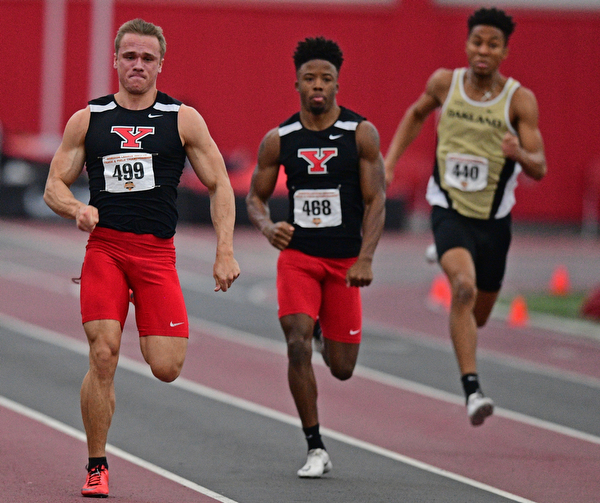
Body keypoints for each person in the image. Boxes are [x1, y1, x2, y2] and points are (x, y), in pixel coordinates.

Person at [43, 19, 240, 497]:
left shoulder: (183, 118)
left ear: (159, 65)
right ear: (115, 61)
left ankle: (124, 369)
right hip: (106, 250)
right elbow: (54, 185)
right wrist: (77, 208)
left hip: (156, 255)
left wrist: (225, 250)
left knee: (167, 366)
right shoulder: (88, 119)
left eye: (146, 58)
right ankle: (96, 464)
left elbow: (220, 184)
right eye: (129, 56)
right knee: (104, 354)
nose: (137, 65)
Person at [384, 7, 546, 426]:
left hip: (494, 219)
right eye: (477, 41)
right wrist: (390, 162)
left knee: (480, 315)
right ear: (467, 44)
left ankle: (445, 253)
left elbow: (540, 167)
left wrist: (519, 153)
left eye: (493, 44)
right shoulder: (444, 83)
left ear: (505, 51)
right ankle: (473, 390)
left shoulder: (519, 100)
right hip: (449, 207)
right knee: (463, 289)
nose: (483, 50)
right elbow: (415, 115)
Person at [246, 36, 385, 477]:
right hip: (299, 257)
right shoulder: (280, 138)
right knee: (295, 342)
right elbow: (254, 197)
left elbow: (377, 199)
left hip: (344, 263)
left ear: (338, 84)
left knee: (342, 368)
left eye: (326, 78)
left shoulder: (360, 133)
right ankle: (315, 447)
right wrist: (269, 227)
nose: (318, 85)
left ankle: (327, 329)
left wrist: (365, 258)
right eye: (310, 78)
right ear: (298, 84)